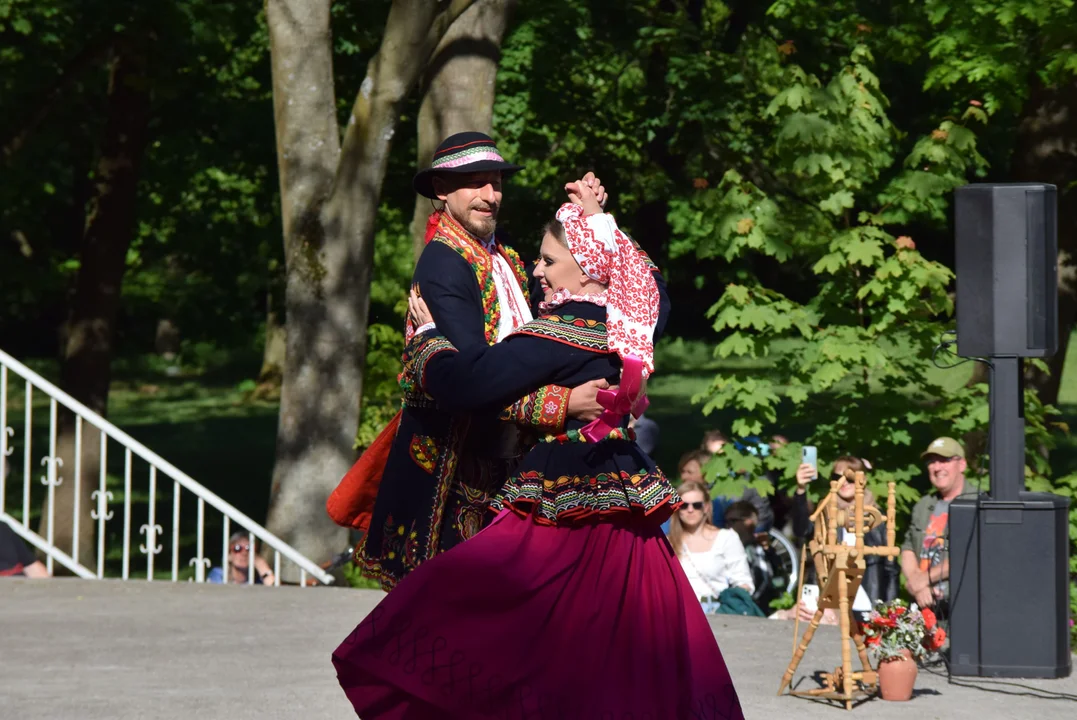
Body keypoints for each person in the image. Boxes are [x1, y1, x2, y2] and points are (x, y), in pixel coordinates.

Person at [333, 183, 743, 718]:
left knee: (461, 605)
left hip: (564, 503)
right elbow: (654, 289)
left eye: (550, 260)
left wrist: (428, 339)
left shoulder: (559, 331)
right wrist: (600, 220)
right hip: (626, 505)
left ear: (588, 266)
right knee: (616, 640)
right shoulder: (633, 325)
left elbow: (470, 384)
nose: (539, 272)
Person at [347, 132, 670, 590]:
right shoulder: (443, 263)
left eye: (495, 182)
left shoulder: (512, 258)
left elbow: (588, 291)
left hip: (513, 468)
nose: (489, 195)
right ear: (441, 190)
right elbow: (469, 384)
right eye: (474, 183)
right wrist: (563, 403)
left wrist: (599, 226)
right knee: (457, 615)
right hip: (457, 475)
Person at [790, 456, 898, 618]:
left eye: (850, 478)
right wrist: (800, 489)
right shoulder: (824, 512)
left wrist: (890, 614)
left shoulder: (879, 518)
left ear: (862, 480)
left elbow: (891, 570)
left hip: (868, 608)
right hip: (829, 608)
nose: (844, 482)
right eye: (837, 477)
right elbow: (801, 530)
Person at [901, 436, 978, 615]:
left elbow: (972, 554)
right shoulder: (923, 505)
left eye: (944, 460)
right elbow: (908, 547)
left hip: (961, 608)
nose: (937, 467)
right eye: (932, 462)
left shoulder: (978, 503)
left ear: (962, 465)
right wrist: (916, 584)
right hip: (922, 607)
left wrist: (924, 579)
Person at [667, 480, 756, 615]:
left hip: (717, 612)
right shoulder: (666, 543)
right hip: (677, 613)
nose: (690, 510)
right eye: (684, 505)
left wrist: (728, 608)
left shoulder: (726, 538)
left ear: (706, 507)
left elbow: (744, 583)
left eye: (697, 505)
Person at [207, 532, 275, 585]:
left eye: (249, 549)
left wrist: (261, 565)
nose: (244, 553)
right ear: (229, 555)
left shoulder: (259, 581)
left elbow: (278, 594)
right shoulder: (219, 575)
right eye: (237, 548)